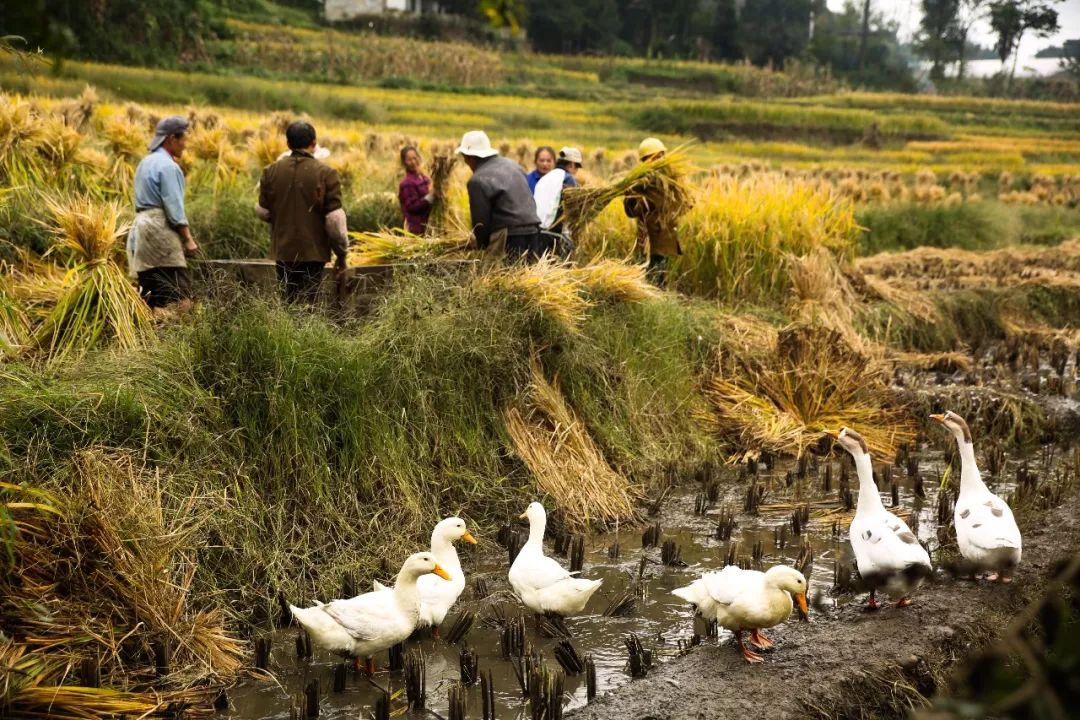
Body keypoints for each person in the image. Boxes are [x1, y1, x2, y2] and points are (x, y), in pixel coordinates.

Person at [256, 121, 348, 304]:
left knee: (288, 300)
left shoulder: (270, 172)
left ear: (288, 144)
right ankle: (305, 333)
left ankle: (286, 333)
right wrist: (341, 253)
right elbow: (334, 220)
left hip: (283, 251)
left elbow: (263, 210)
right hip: (313, 253)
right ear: (314, 143)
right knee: (309, 303)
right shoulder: (327, 173)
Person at [130, 115, 198, 310]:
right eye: (184, 138)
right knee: (181, 296)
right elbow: (174, 208)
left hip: (142, 229)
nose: (186, 144)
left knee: (148, 292)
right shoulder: (169, 167)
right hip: (161, 230)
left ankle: (147, 334)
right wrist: (188, 239)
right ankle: (174, 331)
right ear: (171, 139)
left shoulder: (145, 162)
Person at [457, 130, 541, 263]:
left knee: (502, 278)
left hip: (509, 234)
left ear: (471, 157)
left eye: (465, 158)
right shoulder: (514, 166)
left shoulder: (477, 180)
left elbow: (480, 222)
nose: (466, 162)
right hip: (533, 229)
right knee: (529, 274)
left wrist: (482, 245)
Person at [624, 137, 679, 285]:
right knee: (650, 268)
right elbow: (630, 210)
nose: (661, 159)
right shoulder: (640, 182)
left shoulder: (670, 180)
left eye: (662, 156)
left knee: (660, 269)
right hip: (649, 233)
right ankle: (650, 297)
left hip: (665, 233)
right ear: (646, 160)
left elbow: (680, 205)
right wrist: (633, 193)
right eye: (657, 156)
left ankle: (656, 296)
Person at [533, 146, 582, 256]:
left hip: (537, 229)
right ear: (572, 165)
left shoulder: (547, 177)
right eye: (577, 168)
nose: (576, 171)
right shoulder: (568, 179)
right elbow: (573, 207)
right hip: (553, 232)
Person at [398, 146, 433, 235]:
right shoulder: (406, 183)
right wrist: (429, 198)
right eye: (409, 160)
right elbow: (412, 207)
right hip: (416, 230)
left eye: (415, 158)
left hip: (429, 225)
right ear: (404, 163)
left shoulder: (424, 177)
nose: (413, 162)